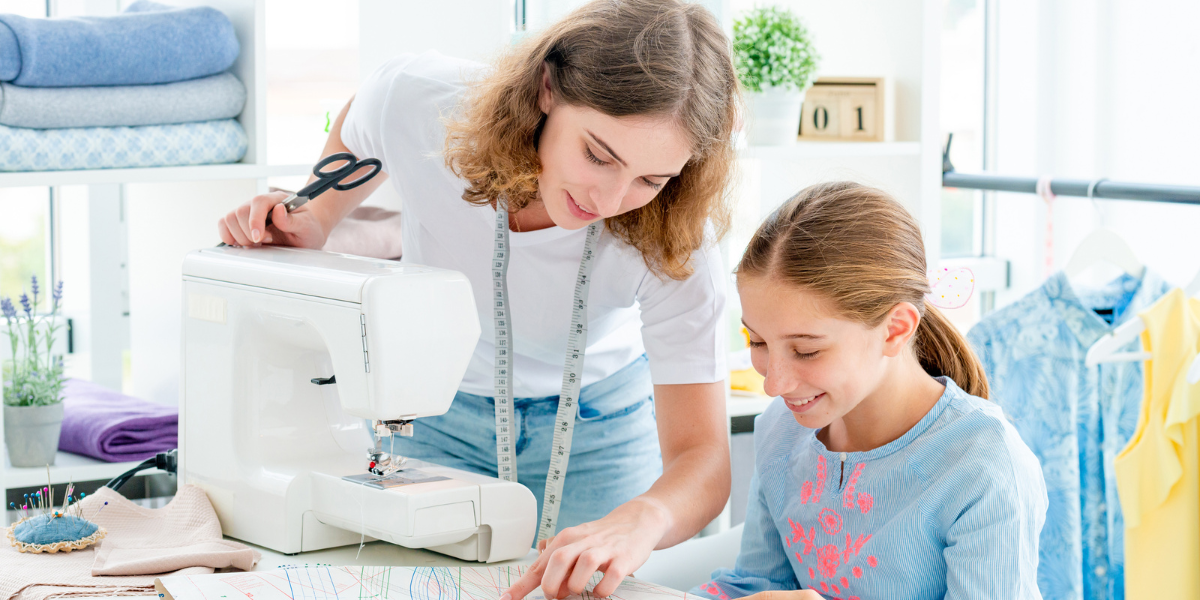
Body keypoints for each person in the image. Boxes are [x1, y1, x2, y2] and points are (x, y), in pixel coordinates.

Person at [217, 1, 739, 596]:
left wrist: (643, 518)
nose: (613, 198)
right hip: (438, 410)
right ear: (547, 88)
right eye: (598, 154)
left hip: (599, 428)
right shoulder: (422, 102)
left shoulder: (680, 238)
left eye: (653, 179)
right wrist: (319, 216)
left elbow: (703, 459)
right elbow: (367, 115)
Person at [694, 182, 1047, 600]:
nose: (774, 384)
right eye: (757, 342)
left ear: (895, 330)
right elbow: (758, 586)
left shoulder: (983, 464)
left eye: (806, 351)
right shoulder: (780, 430)